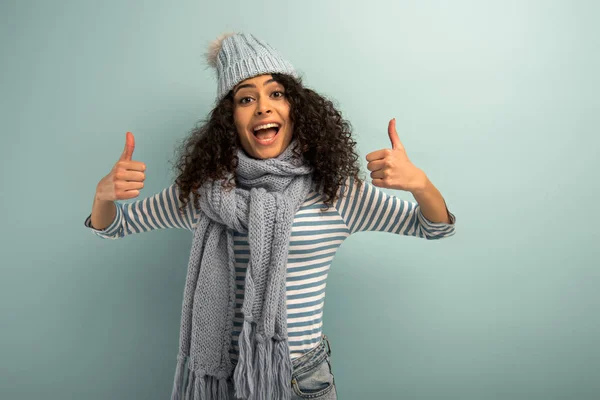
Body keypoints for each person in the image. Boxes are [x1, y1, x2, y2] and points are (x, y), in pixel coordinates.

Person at [85, 32, 456, 400]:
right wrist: (103, 196)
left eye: (276, 93)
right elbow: (113, 225)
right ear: (230, 119)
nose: (263, 106)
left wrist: (420, 185)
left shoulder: (335, 191)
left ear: (297, 108)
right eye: (246, 98)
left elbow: (434, 226)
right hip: (220, 381)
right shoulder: (204, 195)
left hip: (300, 381)